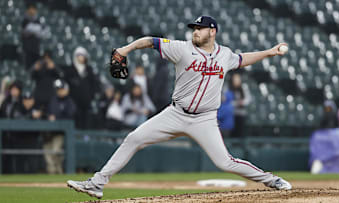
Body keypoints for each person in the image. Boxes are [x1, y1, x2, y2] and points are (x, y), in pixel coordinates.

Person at [67, 15, 291, 199]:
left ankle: (272, 180)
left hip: (204, 120)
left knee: (225, 162)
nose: (195, 31)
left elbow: (242, 59)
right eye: (194, 28)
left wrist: (270, 52)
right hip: (175, 114)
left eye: (200, 29)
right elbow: (149, 41)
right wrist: (125, 50)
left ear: (212, 32)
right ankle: (96, 183)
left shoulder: (225, 55)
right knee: (134, 138)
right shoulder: (181, 49)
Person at [63, 46, 99, 129]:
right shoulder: (70, 70)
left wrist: (91, 96)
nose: (81, 57)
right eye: (79, 55)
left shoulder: (89, 70)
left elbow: (94, 84)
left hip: (86, 101)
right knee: (75, 121)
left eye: (82, 55)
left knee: (86, 121)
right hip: (73, 101)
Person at [44, 79, 76, 174]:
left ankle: (58, 171)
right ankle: (52, 172)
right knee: (48, 153)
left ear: (66, 89)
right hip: (50, 132)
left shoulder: (69, 102)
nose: (60, 91)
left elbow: (71, 115)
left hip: (61, 133)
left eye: (61, 89)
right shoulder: (53, 100)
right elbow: (47, 112)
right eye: (58, 89)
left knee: (56, 151)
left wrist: (56, 117)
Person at [228, 72, 251, 137]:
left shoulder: (243, 87)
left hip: (241, 113)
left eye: (238, 79)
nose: (236, 80)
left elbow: (248, 99)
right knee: (232, 133)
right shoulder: (229, 87)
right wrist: (236, 103)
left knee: (240, 132)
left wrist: (242, 102)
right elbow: (227, 101)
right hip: (232, 113)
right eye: (235, 79)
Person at [21, 4, 43, 69]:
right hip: (27, 49)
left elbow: (41, 31)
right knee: (27, 67)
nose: (32, 11)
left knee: (36, 68)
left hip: (36, 49)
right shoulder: (25, 21)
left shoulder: (38, 21)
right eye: (30, 9)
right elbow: (27, 29)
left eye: (33, 9)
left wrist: (33, 30)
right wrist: (35, 30)